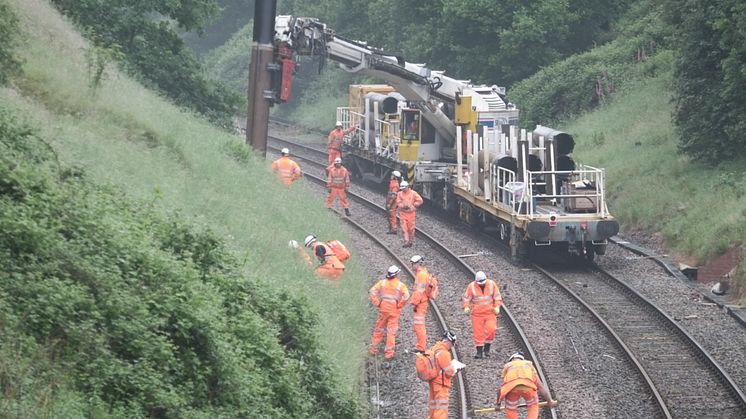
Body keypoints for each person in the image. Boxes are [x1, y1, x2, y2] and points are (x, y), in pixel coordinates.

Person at [369, 265, 410, 359]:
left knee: (379, 329)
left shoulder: (382, 283)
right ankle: (389, 353)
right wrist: (400, 305)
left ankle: (373, 349)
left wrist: (377, 303)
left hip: (383, 307)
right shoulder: (400, 285)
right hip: (394, 309)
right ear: (396, 274)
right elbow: (406, 296)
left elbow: (372, 291)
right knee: (391, 332)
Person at [497, 352, 555, 419]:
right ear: (522, 359)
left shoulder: (507, 366)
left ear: (512, 359)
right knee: (533, 406)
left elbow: (500, 388)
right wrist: (549, 401)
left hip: (512, 390)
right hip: (528, 388)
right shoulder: (528, 365)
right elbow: (540, 386)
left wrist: (498, 404)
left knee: (511, 409)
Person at [462, 271, 503, 358]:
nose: (481, 284)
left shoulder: (492, 284)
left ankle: (487, 347)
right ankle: (479, 351)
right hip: (477, 314)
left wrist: (497, 307)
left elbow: (497, 297)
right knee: (478, 333)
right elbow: (466, 298)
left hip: (490, 313)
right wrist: (466, 307)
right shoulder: (471, 286)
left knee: (491, 330)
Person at [426, 330, 461, 419]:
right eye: (452, 344)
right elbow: (449, 372)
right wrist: (455, 369)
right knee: (441, 409)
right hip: (441, 384)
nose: (452, 346)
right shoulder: (444, 353)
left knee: (434, 407)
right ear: (449, 341)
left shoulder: (434, 348)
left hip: (433, 381)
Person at [410, 255, 436, 353]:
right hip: (422, 302)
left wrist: (415, 303)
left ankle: (421, 347)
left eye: (413, 263)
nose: (412, 265)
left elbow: (419, 291)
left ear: (418, 263)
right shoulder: (422, 273)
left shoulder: (421, 275)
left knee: (419, 326)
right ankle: (421, 345)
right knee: (419, 325)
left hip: (420, 303)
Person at [391, 180, 423, 247]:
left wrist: (414, 205)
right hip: (403, 213)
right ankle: (406, 241)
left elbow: (420, 200)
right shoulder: (400, 194)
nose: (403, 190)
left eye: (404, 188)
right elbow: (398, 202)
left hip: (411, 214)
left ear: (407, 187)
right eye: (402, 188)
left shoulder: (413, 193)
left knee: (411, 229)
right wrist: (403, 206)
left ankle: (411, 241)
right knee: (404, 229)